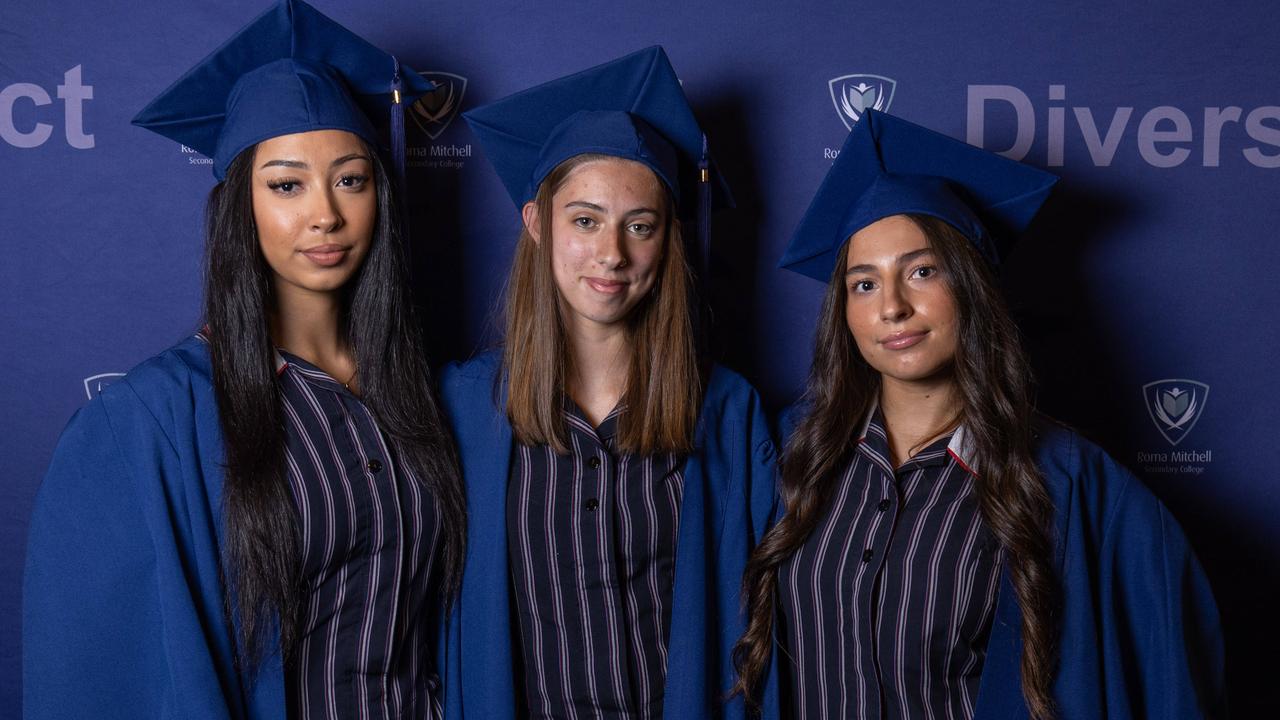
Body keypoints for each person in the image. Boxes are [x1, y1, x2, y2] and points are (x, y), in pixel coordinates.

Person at [23, 2, 463, 718]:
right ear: (239, 206)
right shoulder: (155, 421)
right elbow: (102, 675)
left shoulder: (423, 398)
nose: (325, 212)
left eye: (351, 179)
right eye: (286, 184)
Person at [731, 109, 1225, 719]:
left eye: (922, 270)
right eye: (863, 283)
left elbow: (1168, 679)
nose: (893, 306)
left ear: (971, 286)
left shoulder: (1072, 487)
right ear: (844, 313)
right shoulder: (785, 458)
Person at [440, 47, 779, 720]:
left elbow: (765, 623)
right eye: (585, 220)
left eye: (641, 226)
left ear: (669, 241)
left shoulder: (728, 412)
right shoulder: (464, 407)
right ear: (538, 226)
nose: (612, 254)